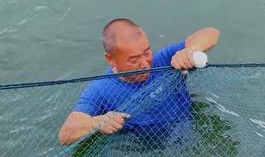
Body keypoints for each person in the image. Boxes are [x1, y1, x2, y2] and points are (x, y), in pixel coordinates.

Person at [58, 19, 220, 145]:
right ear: (111, 59)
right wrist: (98, 122)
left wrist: (189, 51)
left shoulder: (164, 60)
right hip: (144, 145)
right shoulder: (100, 90)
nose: (145, 63)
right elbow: (65, 134)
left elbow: (212, 33)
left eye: (146, 52)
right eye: (134, 60)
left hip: (189, 124)